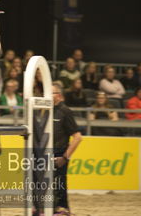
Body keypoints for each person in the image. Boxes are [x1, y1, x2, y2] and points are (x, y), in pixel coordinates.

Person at [51, 83, 82, 214]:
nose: (46, 95)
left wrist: (64, 157)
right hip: (43, 153)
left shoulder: (65, 111)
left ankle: (63, 210)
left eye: (50, 92)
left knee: (59, 185)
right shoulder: (43, 110)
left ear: (58, 95)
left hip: (59, 154)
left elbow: (78, 137)